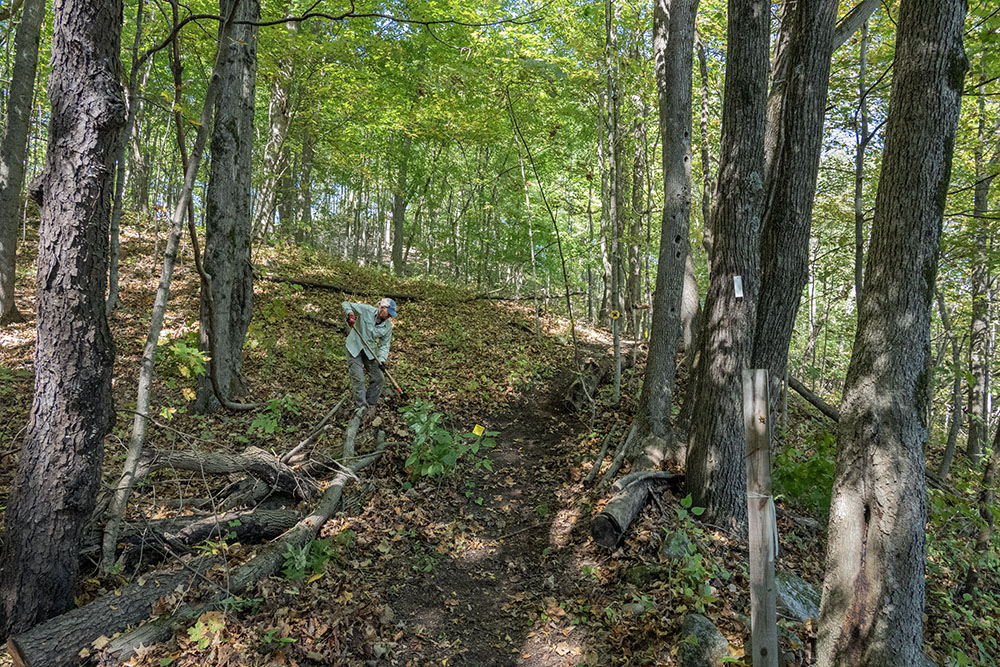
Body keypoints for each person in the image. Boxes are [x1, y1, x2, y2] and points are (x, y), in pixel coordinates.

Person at [342, 297, 397, 416]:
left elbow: (384, 345)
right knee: (359, 379)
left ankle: (371, 403)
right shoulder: (366, 310)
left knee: (379, 378)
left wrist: (382, 360)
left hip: (369, 351)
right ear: (382, 308)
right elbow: (346, 304)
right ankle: (361, 407)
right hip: (354, 347)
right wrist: (350, 315)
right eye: (389, 313)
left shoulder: (387, 327)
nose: (390, 317)